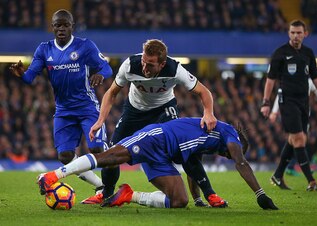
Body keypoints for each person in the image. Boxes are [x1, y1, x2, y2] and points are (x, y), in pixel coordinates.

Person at [82, 39, 218, 207]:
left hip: (163, 110)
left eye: (151, 65)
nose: (145, 67)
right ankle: (107, 194)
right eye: (144, 62)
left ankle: (208, 194)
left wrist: (209, 113)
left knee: (182, 148)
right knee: (112, 153)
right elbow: (111, 93)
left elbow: (203, 92)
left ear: (162, 64)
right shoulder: (130, 65)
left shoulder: (174, 69)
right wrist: (100, 120)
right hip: (134, 112)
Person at [38, 117, 278, 210]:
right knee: (108, 157)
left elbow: (193, 164)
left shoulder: (211, 141)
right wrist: (260, 194)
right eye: (231, 153)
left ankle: (129, 195)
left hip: (163, 157)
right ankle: (53, 176)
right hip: (155, 139)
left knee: (179, 202)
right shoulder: (228, 135)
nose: (229, 156)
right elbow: (242, 162)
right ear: (235, 142)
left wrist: (200, 198)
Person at [9, 9, 112, 196]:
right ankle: (100, 186)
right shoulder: (44, 49)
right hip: (64, 110)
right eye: (58, 25)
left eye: (65, 25)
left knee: (96, 148)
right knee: (65, 156)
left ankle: (110, 158)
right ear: (53, 27)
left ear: (72, 26)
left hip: (87, 106)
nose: (61, 29)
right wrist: (22, 74)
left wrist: (100, 74)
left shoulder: (85, 46)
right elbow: (30, 76)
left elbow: (107, 67)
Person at [261, 19, 317, 191]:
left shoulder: (308, 53)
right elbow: (270, 80)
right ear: (289, 34)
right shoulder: (280, 53)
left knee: (294, 139)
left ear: (305, 34)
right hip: (287, 101)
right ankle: (311, 180)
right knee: (300, 138)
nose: (295, 36)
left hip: (304, 101)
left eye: (298, 33)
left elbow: (316, 77)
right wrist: (266, 102)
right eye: (292, 32)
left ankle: (278, 175)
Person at [269, 78, 317, 176]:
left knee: (295, 141)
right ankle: (301, 169)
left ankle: (285, 170)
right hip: (293, 114)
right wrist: (274, 111)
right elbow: (280, 94)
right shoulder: (290, 78)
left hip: (305, 115)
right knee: (299, 140)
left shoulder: (308, 80)